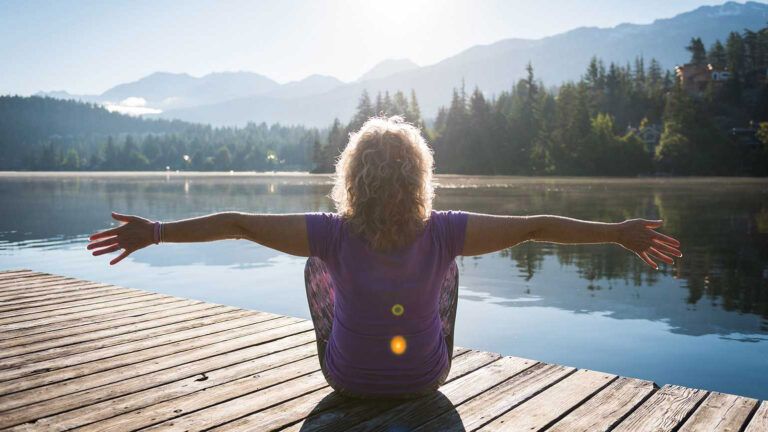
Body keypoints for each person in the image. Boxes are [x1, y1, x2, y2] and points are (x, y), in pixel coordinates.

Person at [87, 116, 682, 399]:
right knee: (447, 270)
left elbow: (239, 223)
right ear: (420, 176)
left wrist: (158, 231)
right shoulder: (446, 230)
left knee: (315, 264)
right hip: (426, 378)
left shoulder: (331, 232)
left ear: (352, 178)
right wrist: (618, 233)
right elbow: (534, 227)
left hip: (346, 379)